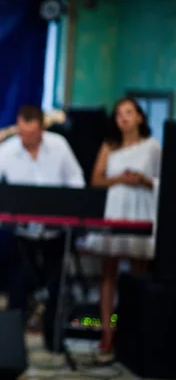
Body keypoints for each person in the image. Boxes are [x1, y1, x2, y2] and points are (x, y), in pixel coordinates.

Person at [0, 105, 85, 351]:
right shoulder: (8, 150)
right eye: (22, 132)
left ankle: (54, 342)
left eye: (31, 133)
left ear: (41, 129)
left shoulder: (59, 145)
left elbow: (76, 180)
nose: (25, 138)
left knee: (57, 288)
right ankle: (11, 347)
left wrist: (69, 206)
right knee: (18, 287)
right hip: (22, 235)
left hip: (56, 232)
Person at [80, 97, 161, 354]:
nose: (123, 118)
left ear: (140, 117)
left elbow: (161, 181)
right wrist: (119, 178)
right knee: (108, 271)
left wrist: (142, 180)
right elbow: (96, 178)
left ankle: (135, 328)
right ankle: (107, 331)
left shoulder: (152, 147)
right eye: (118, 114)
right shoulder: (110, 145)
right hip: (116, 207)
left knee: (138, 271)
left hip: (140, 207)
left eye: (128, 112)